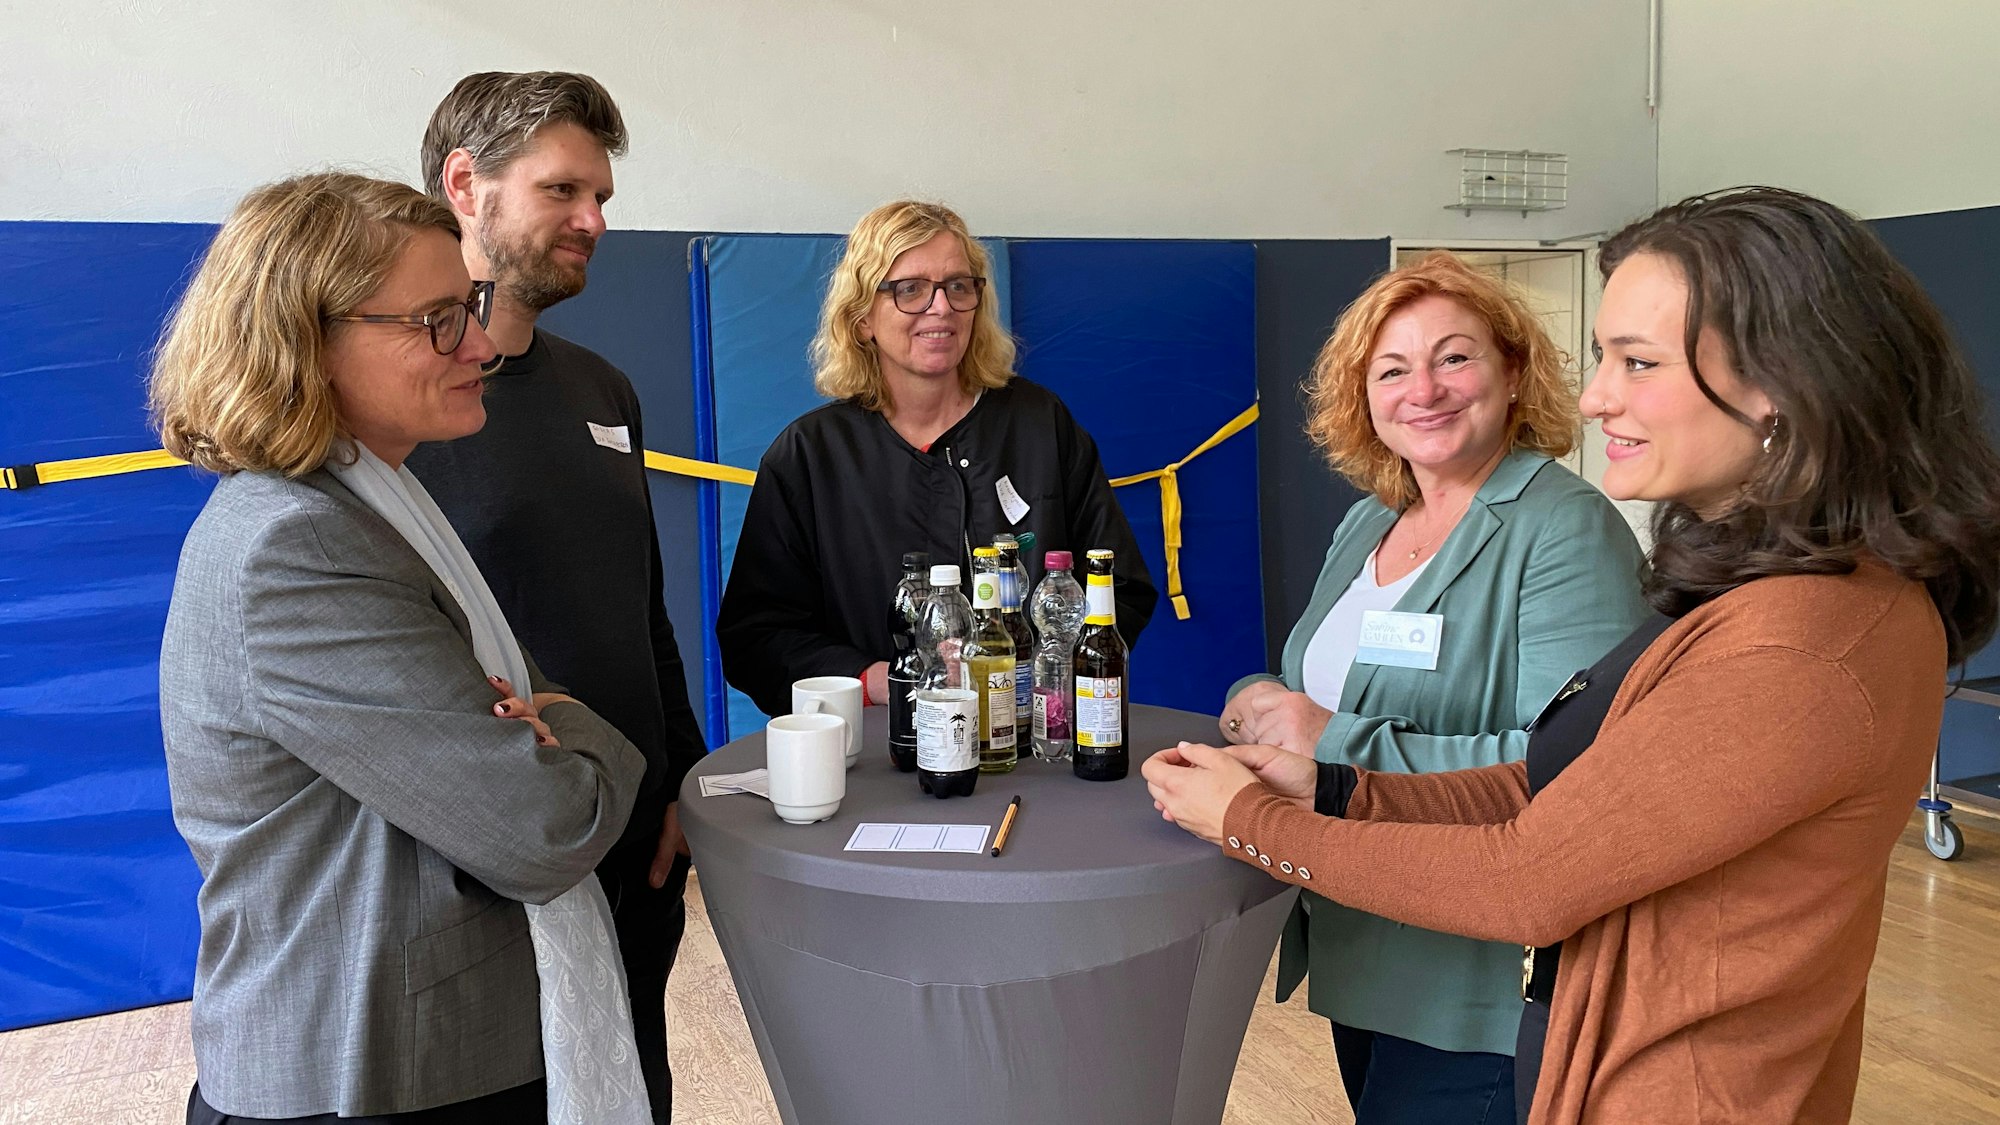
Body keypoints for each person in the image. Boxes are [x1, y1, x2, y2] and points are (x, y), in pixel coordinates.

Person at [1145, 187, 2000, 1125]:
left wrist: (1256, 821)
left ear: (1786, 380)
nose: (1598, 398)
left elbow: (1532, 874)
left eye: (1637, 362)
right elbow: (1565, 779)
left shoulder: (1805, 642)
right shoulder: (1771, 598)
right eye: (1603, 359)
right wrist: (1335, 788)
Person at [153, 172, 650, 1124]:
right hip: (368, 1069)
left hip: (416, 1048)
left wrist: (543, 722)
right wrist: (582, 732)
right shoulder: (293, 549)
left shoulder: (369, 507)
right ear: (307, 339)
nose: (476, 345)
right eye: (436, 321)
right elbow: (547, 826)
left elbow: (517, 708)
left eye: (468, 307)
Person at [1213, 251, 1647, 1123]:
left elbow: (1579, 765)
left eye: (1455, 357)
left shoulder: (1563, 527)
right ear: (1362, 395)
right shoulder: (1373, 516)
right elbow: (1328, 680)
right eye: (1393, 368)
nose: (1426, 388)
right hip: (1364, 939)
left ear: (1513, 370)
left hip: (1476, 977)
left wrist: (1327, 736)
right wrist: (1266, 697)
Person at [403, 71, 706, 1124]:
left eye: (603, 199)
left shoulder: (603, 388)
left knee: (633, 1088)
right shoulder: (411, 411)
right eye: (562, 192)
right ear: (464, 184)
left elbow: (643, 605)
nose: (593, 221)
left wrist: (682, 777)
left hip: (637, 840)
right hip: (503, 857)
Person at [717, 199, 1158, 717]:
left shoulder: (1039, 423)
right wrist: (879, 679)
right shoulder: (811, 455)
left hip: (1032, 735)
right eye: (910, 289)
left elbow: (1120, 586)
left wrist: (1043, 668)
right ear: (862, 320)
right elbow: (757, 638)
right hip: (879, 747)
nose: (941, 307)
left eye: (958, 286)